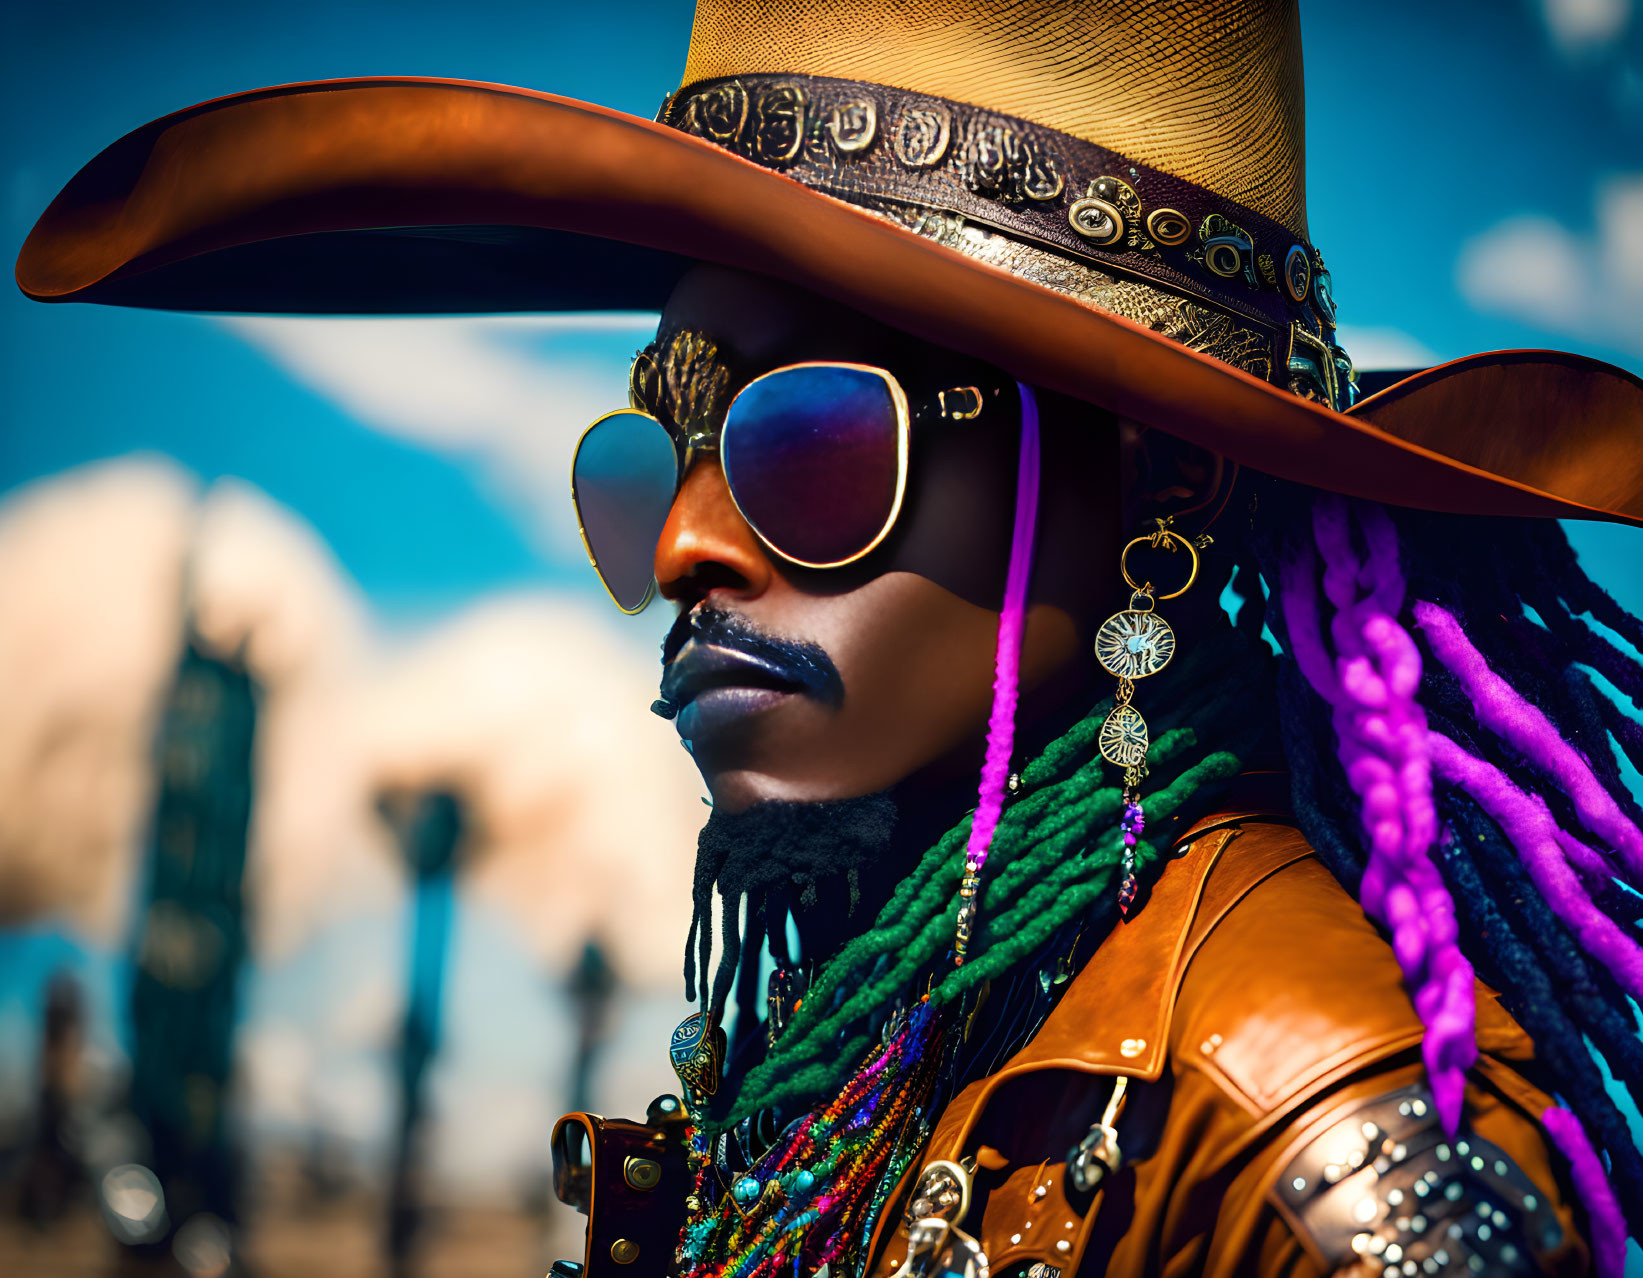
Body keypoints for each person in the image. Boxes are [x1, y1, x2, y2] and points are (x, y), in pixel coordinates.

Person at [17, 3, 1643, 1275]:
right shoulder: (893, 1028)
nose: (680, 546)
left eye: (809, 445)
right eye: (650, 458)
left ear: (1158, 479)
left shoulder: (1310, 1147)